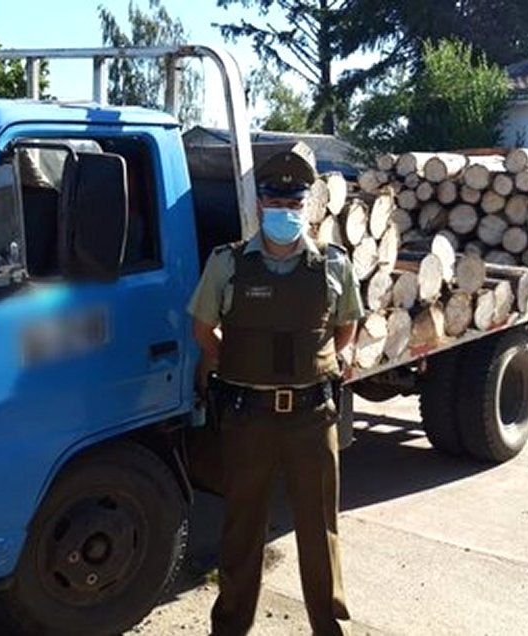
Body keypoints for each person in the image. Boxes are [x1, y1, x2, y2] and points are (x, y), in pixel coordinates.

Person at [187, 142, 363, 636]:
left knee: (319, 530)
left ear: (307, 205)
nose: (285, 212)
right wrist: (229, 359)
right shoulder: (228, 263)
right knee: (242, 529)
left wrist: (343, 353)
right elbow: (203, 329)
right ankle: (229, 627)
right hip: (249, 417)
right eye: (276, 203)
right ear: (260, 204)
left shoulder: (333, 263)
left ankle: (329, 627)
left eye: (294, 203)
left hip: (313, 416)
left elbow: (348, 321)